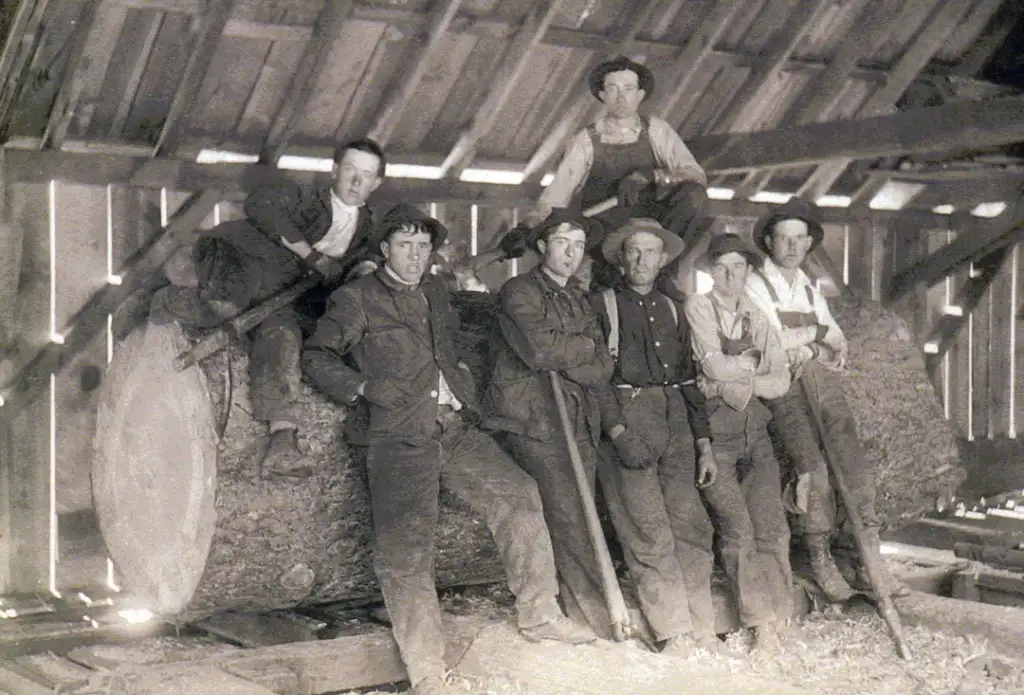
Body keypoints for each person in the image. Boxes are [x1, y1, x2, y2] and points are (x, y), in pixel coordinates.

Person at [303, 205, 593, 695]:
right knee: (406, 552)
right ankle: (428, 673)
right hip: (398, 434)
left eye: (422, 248)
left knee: (519, 493)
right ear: (384, 250)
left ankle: (540, 615)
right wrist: (362, 387)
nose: (414, 257)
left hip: (454, 428)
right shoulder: (358, 299)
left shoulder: (437, 293)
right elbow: (316, 355)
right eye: (404, 246)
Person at [154, 138, 386, 477]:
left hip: (291, 299)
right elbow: (261, 205)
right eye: (350, 170)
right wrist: (310, 255)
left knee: (282, 333)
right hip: (247, 273)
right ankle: (162, 301)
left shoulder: (368, 226)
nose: (355, 182)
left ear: (376, 183)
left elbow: (369, 260)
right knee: (220, 310)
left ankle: (282, 441)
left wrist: (364, 270)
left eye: (366, 175)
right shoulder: (304, 197)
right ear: (335, 170)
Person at [745, 198, 908, 600]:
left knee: (851, 460)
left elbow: (837, 342)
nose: (792, 247)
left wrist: (815, 343)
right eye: (784, 238)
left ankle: (869, 561)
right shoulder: (755, 285)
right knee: (813, 469)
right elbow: (771, 346)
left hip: (819, 381)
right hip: (779, 388)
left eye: (800, 239)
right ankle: (820, 559)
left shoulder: (806, 287)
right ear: (769, 242)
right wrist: (813, 336)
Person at [588, 217, 732, 656]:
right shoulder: (602, 305)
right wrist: (616, 429)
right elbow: (593, 379)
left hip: (675, 422)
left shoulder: (674, 306)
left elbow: (689, 380)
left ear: (663, 258)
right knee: (648, 531)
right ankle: (674, 633)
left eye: (650, 251)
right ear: (620, 257)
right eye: (633, 251)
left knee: (692, 526)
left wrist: (704, 445)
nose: (641, 260)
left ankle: (703, 627)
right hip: (628, 416)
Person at [483, 208, 619, 639]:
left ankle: (591, 608)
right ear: (542, 245)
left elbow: (603, 367)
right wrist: (581, 349)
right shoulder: (519, 291)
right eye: (563, 242)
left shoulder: (580, 297)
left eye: (579, 246)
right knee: (568, 512)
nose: (571, 253)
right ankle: (588, 617)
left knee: (583, 509)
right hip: (532, 420)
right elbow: (540, 353)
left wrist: (572, 355)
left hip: (577, 416)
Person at [493, 56, 711, 295]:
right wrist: (526, 228)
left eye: (628, 89)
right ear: (602, 96)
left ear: (640, 95)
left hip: (652, 227)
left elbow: (696, 176)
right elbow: (556, 196)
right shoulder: (585, 140)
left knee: (695, 197)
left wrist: (651, 175)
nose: (621, 97)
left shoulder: (658, 131)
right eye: (612, 89)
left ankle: (663, 275)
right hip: (605, 232)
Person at [682, 233, 794, 653]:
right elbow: (708, 363)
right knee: (739, 529)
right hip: (716, 436)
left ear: (749, 271)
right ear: (710, 270)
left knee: (773, 527)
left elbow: (781, 380)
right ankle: (760, 624)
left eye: (739, 267)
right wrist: (750, 367)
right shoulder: (698, 306)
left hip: (757, 433)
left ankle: (783, 616)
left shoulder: (757, 315)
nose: (730, 275)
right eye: (722, 267)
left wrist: (731, 379)